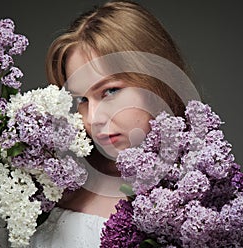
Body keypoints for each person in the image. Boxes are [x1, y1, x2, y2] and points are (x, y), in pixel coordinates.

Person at [29, 1, 200, 247]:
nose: (93, 118)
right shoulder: (45, 185)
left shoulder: (205, 200)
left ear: (156, 83)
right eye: (81, 100)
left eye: (110, 91)